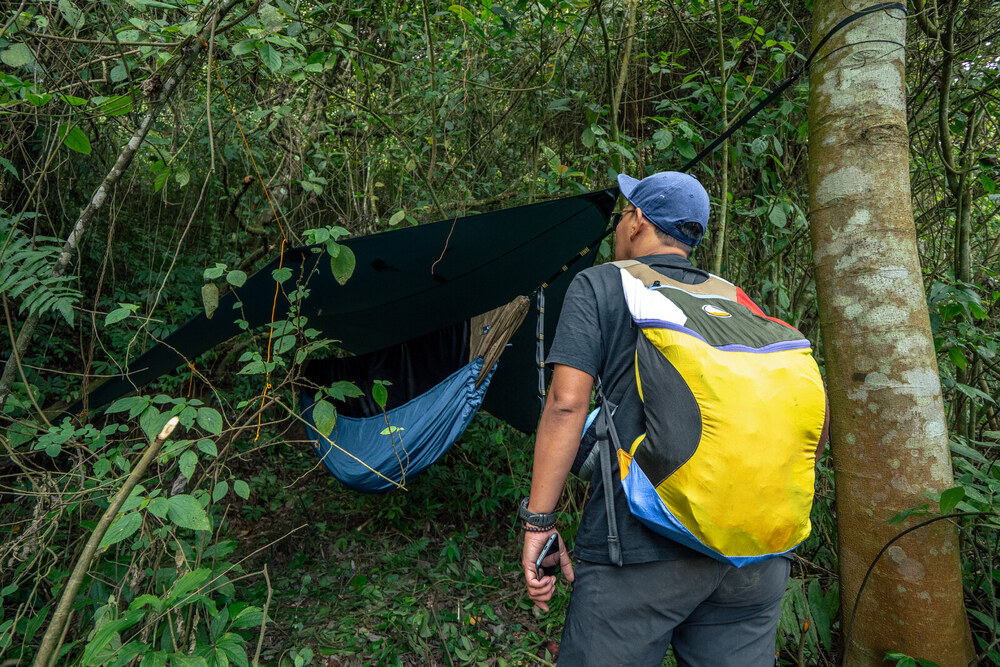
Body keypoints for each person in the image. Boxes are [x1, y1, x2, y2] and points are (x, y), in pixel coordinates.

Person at [518, 171, 827, 665]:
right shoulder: (735, 299)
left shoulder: (601, 283)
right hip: (754, 555)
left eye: (624, 213)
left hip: (639, 553)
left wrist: (539, 522)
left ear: (637, 220)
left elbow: (566, 404)